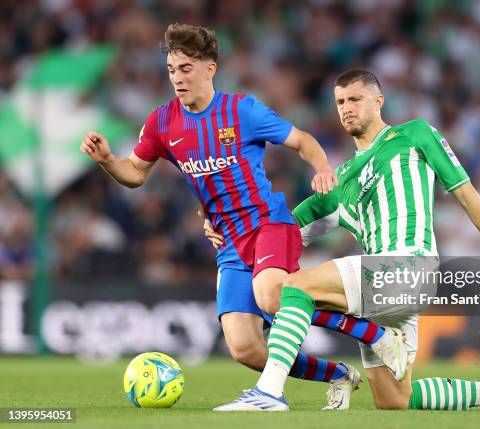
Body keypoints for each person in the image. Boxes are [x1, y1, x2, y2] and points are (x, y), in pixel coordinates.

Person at [80, 25, 407, 409]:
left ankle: (370, 336)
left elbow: (302, 140)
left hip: (268, 223)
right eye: (171, 69)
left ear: (209, 68)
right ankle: (337, 374)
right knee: (245, 349)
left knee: (272, 296)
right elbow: (134, 173)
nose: (177, 78)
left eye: (185, 68)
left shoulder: (242, 110)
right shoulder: (162, 122)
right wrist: (107, 161)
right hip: (229, 242)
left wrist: (322, 168)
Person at [210, 69, 480, 412]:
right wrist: (225, 227)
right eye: (340, 101)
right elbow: (277, 227)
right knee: (395, 399)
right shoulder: (339, 182)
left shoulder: (414, 135)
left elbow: (467, 195)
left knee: (295, 288)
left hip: (410, 266)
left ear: (379, 101)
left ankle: (268, 393)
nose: (347, 107)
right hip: (380, 290)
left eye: (355, 99)